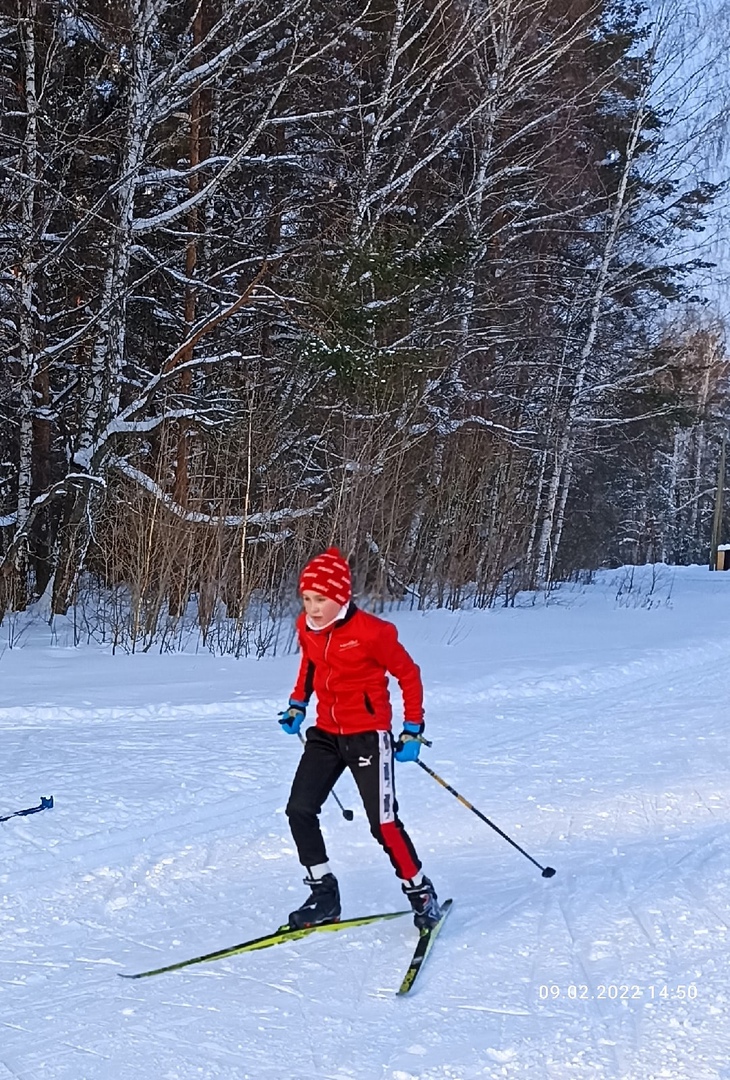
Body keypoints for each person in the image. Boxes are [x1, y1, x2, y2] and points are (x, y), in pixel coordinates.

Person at [279, 546, 442, 932]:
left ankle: (421, 892)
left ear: (341, 597)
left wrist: (413, 728)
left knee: (383, 824)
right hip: (326, 734)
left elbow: (409, 675)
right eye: (307, 599)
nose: (313, 608)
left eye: (320, 600)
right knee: (299, 809)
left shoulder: (373, 632)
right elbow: (309, 663)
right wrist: (298, 704)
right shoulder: (307, 627)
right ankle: (324, 896)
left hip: (368, 736)